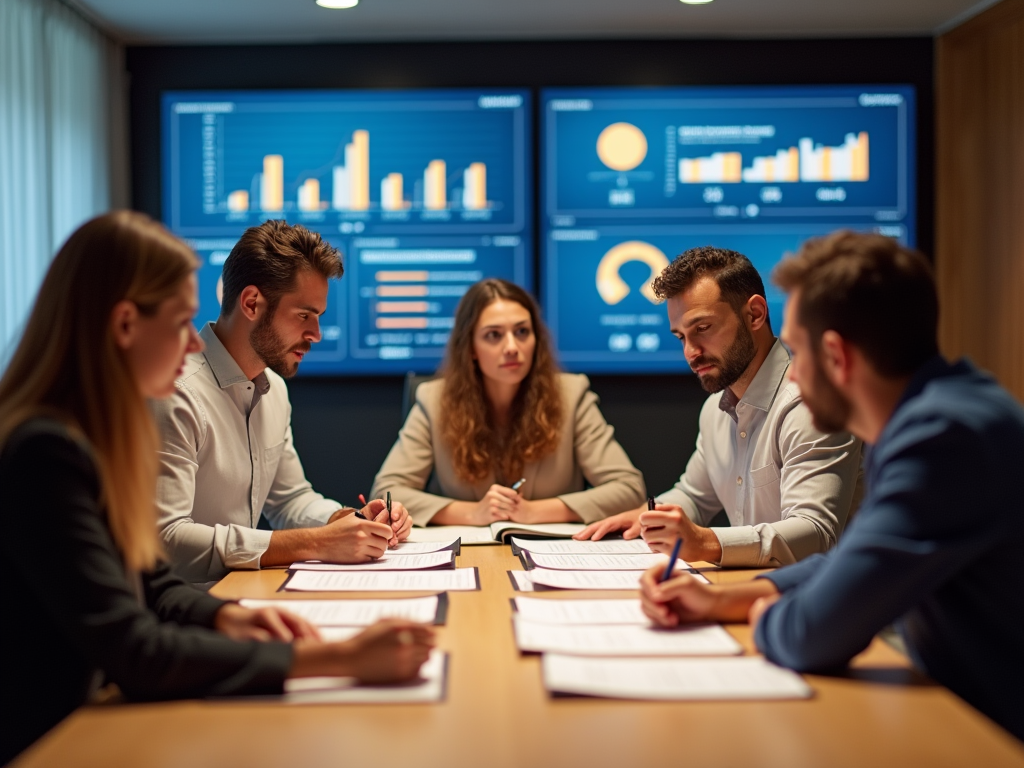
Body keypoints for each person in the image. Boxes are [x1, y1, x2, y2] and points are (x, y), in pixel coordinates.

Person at [0, 212, 434, 764]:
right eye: (182, 323)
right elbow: (135, 647)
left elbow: (152, 583)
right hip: (55, 739)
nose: (191, 345)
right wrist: (338, 659)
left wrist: (227, 615)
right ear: (126, 325)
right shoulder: (45, 453)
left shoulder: (97, 435)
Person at [640, 232, 1024, 741]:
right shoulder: (936, 415)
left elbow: (810, 635)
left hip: (988, 735)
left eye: (795, 352)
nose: (790, 376)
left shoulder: (943, 440)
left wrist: (764, 614)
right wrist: (720, 602)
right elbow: (854, 559)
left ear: (837, 356)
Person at [151, 220, 412, 584]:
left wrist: (350, 521)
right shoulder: (174, 392)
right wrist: (313, 544)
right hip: (180, 618)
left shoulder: (272, 388)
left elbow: (290, 501)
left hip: (242, 598)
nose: (316, 335)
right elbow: (167, 542)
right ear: (252, 303)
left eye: (318, 318)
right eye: (305, 315)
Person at [577, 246, 862, 568]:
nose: (690, 352)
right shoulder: (716, 409)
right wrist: (647, 516)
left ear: (755, 314)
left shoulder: (811, 405)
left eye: (702, 329)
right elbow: (695, 496)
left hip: (820, 606)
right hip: (752, 592)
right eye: (681, 337)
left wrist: (706, 542)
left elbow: (816, 532)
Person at [371, 278, 646, 526]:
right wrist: (472, 513)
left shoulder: (571, 394)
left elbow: (629, 489)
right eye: (494, 335)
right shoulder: (434, 400)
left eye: (522, 332)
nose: (513, 346)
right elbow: (387, 492)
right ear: (471, 348)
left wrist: (535, 512)